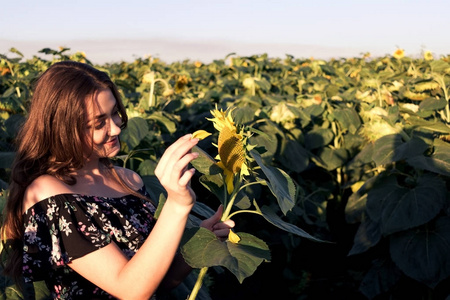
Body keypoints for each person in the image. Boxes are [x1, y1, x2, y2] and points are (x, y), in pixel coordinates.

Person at [1, 61, 234, 299]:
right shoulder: (48, 194)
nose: (115, 128)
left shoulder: (128, 180)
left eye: (114, 113)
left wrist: (200, 241)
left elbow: (155, 281)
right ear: (63, 128)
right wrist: (176, 205)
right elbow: (131, 290)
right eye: (98, 123)